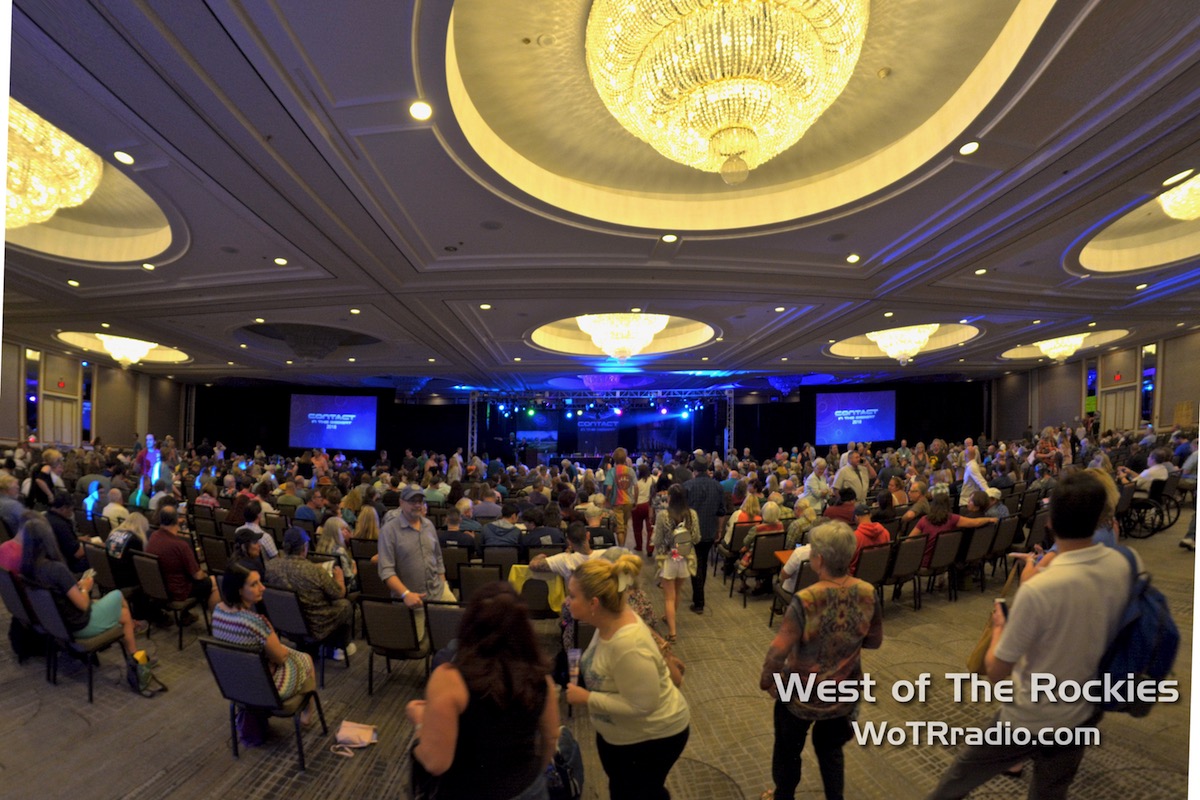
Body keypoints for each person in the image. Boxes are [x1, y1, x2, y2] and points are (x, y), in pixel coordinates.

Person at [929, 473, 1133, 799]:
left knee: (957, 780)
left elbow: (997, 671)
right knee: (1049, 792)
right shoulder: (1122, 564)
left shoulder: (1040, 588)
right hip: (1082, 711)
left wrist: (999, 628)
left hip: (1031, 715)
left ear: (1051, 521)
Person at [760, 520, 883, 800]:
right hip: (844, 692)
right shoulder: (867, 592)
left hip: (800, 692)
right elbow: (875, 641)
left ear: (820, 560)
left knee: (788, 750)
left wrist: (767, 681)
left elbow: (778, 651)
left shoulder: (806, 599)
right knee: (830, 752)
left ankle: (784, 795)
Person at [406, 582, 559, 800]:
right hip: (528, 789)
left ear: (470, 623)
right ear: (524, 628)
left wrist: (422, 721)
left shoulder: (449, 679)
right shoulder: (542, 678)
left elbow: (436, 762)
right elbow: (551, 738)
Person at [565, 555, 690, 800]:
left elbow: (643, 704)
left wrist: (587, 698)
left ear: (594, 602)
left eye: (572, 596)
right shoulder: (609, 617)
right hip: (627, 736)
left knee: (640, 793)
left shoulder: (627, 644)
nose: (566, 602)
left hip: (651, 738)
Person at [21, 515, 143, 660]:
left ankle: (131, 648)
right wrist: (85, 587)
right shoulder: (56, 570)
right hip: (79, 626)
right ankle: (135, 659)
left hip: (57, 624)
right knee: (118, 595)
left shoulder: (27, 568)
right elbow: (84, 605)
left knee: (123, 613)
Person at [212, 565, 317, 725]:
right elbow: (281, 658)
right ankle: (307, 711)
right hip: (264, 689)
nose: (263, 588)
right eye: (254, 584)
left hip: (234, 683)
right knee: (306, 659)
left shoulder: (217, 611)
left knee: (287, 652)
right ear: (239, 590)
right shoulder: (255, 622)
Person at [377, 487, 456, 639]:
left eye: (420, 501)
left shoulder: (428, 525)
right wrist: (406, 594)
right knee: (417, 645)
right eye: (412, 501)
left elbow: (438, 557)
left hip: (438, 591)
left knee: (455, 626)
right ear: (401, 502)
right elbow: (386, 571)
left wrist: (443, 582)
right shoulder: (389, 531)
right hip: (412, 599)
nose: (417, 505)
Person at [265, 527, 354, 659]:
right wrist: (339, 578)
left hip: (283, 624)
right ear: (305, 547)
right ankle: (339, 647)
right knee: (345, 604)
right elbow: (339, 593)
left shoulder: (270, 567)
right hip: (315, 625)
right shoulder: (314, 571)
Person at [652, 484, 700, 643]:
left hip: (668, 558)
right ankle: (669, 616)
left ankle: (672, 633)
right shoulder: (692, 514)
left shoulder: (663, 515)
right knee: (677, 593)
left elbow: (657, 541)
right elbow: (696, 538)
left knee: (668, 598)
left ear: (670, 497)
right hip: (686, 558)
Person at [683, 456, 726, 614]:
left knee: (696, 564)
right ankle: (698, 595)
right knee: (702, 564)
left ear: (694, 470)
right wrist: (720, 530)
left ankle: (699, 601)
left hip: (692, 532)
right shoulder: (717, 486)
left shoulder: (687, 486)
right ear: (708, 469)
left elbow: (682, 512)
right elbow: (722, 512)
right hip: (710, 530)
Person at [316, 516, 357, 592]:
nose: (346, 531)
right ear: (336, 532)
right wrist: (355, 569)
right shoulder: (339, 552)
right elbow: (350, 581)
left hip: (325, 588)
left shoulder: (320, 548)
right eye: (343, 529)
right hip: (343, 589)